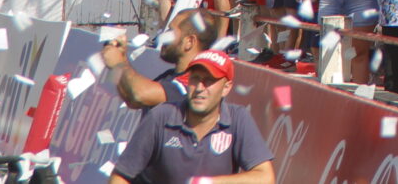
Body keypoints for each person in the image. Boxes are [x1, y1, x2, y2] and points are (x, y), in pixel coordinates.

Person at [108, 50, 275, 184]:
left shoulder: (237, 119)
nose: (200, 88)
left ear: (226, 88)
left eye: (209, 81)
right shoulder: (161, 116)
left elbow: (265, 177)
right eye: (195, 79)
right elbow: (121, 176)